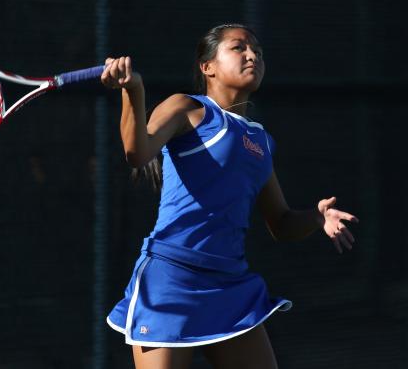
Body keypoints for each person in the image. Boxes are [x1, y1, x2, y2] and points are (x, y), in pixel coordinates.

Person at [101, 24, 359, 369]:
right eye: (239, 48)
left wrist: (315, 217)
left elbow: (280, 224)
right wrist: (133, 91)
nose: (253, 56)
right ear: (207, 66)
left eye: (259, 52)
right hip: (171, 279)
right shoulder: (186, 107)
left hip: (230, 286)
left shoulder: (260, 140)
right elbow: (138, 152)